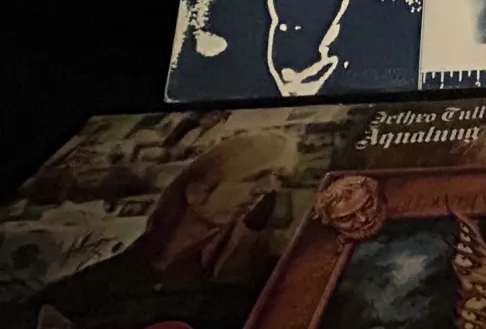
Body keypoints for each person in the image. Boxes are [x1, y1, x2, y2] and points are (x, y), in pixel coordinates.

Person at [19, 133, 299, 329]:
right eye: (255, 177)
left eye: (274, 177)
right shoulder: (106, 277)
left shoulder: (255, 264)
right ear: (196, 192)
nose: (267, 188)